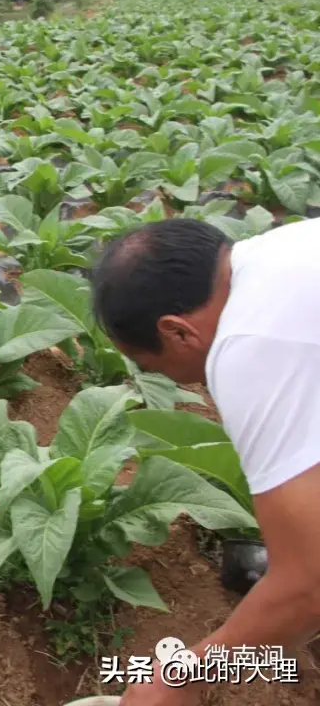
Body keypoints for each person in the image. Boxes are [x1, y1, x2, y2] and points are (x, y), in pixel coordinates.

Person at [91, 217, 320, 705]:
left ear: (176, 332)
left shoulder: (249, 348)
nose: (175, 382)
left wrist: (179, 679)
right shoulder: (282, 252)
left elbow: (309, 583)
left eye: (150, 366)